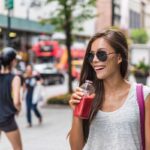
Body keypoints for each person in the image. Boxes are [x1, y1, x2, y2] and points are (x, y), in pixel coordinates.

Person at [69, 29, 150, 150]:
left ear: (119, 58)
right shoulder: (88, 95)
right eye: (91, 55)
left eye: (101, 54)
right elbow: (76, 148)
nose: (95, 60)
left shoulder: (143, 95)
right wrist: (77, 113)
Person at [0, 47, 22, 150]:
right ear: (12, 61)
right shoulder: (15, 78)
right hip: (7, 118)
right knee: (17, 148)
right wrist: (18, 109)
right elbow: (16, 101)